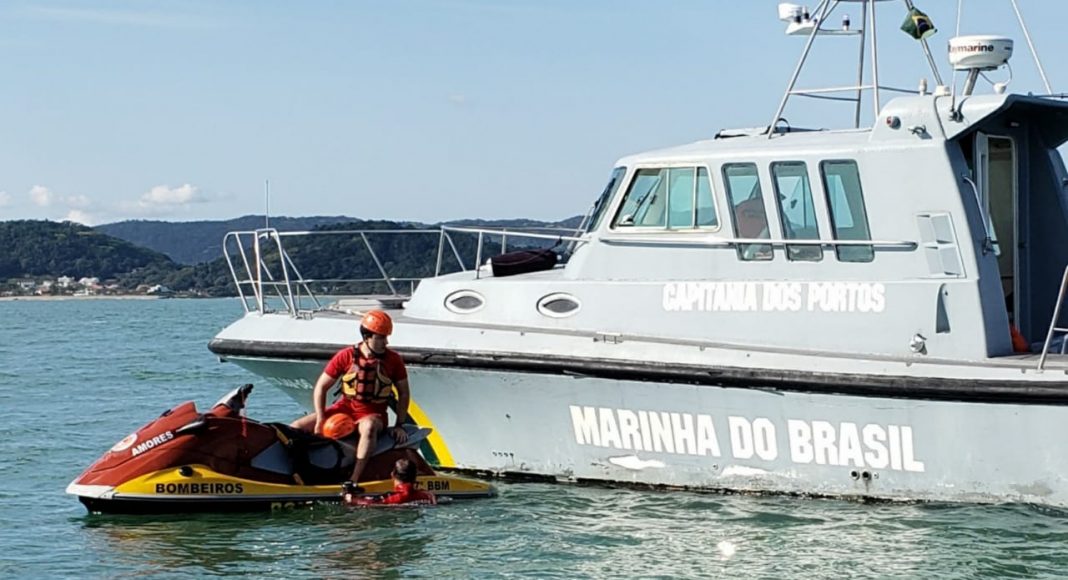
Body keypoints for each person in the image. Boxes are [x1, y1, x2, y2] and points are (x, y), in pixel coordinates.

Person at [290, 309, 410, 488]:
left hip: (374, 414)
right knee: (295, 427)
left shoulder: (393, 360)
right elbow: (321, 387)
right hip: (344, 408)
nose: (386, 342)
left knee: (368, 428)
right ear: (367, 336)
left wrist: (399, 424)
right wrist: (321, 419)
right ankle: (296, 472)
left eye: (386, 337)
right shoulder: (346, 356)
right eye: (381, 337)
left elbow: (404, 393)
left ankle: (353, 480)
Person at [344, 458, 437, 506]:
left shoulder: (391, 497)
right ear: (415, 476)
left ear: (392, 474)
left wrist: (351, 499)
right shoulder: (429, 495)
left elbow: (372, 504)